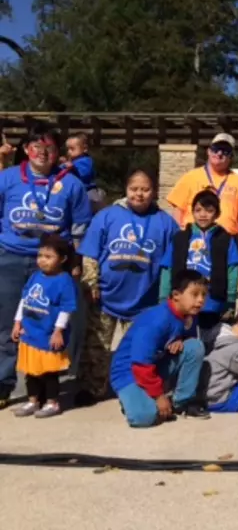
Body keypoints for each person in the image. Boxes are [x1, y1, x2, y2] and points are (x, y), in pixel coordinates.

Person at [0, 123, 92, 411]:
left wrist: (76, 265)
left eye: (49, 147)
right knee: (8, 325)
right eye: (36, 147)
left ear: (58, 152)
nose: (42, 153)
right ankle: (4, 384)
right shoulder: (8, 178)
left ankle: (50, 385)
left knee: (54, 325)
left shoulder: (72, 184)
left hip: (55, 267)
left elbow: (79, 228)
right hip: (11, 259)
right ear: (27, 150)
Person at [75, 169, 180, 406]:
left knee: (139, 350)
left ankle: (134, 389)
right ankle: (92, 388)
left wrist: (168, 296)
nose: (139, 194)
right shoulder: (107, 216)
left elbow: (174, 262)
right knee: (96, 348)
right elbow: (90, 254)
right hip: (106, 296)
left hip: (144, 300)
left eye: (145, 189)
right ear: (126, 190)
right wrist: (90, 282)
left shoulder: (165, 223)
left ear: (154, 192)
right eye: (134, 189)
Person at [109, 269, 210, 427]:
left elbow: (180, 336)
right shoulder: (157, 319)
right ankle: (134, 399)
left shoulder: (188, 314)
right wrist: (158, 396)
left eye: (204, 295)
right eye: (195, 294)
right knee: (144, 417)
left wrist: (180, 339)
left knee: (194, 347)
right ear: (176, 295)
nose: (200, 300)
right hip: (129, 372)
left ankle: (180, 403)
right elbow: (140, 364)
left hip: (153, 366)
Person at [160, 190, 238, 347]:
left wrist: (230, 300)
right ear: (192, 212)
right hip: (182, 301)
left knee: (209, 342)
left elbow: (233, 269)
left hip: (212, 302)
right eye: (198, 210)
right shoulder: (180, 238)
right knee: (179, 341)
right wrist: (163, 297)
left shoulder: (225, 239)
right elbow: (167, 268)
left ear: (217, 214)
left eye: (209, 210)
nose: (203, 214)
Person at [10, 234, 77, 418]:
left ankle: (52, 403)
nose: (42, 261)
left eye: (48, 257)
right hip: (29, 332)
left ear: (62, 259)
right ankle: (33, 401)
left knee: (49, 373)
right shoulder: (35, 276)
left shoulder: (64, 281)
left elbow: (66, 309)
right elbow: (24, 300)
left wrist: (58, 331)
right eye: (40, 256)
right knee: (30, 371)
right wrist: (17, 323)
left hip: (48, 335)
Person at [166, 133, 238, 260]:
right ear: (208, 151)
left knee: (222, 278)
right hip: (192, 237)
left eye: (225, 151)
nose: (219, 154)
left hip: (225, 239)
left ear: (231, 157)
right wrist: (178, 236)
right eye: (216, 148)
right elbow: (178, 209)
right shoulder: (191, 176)